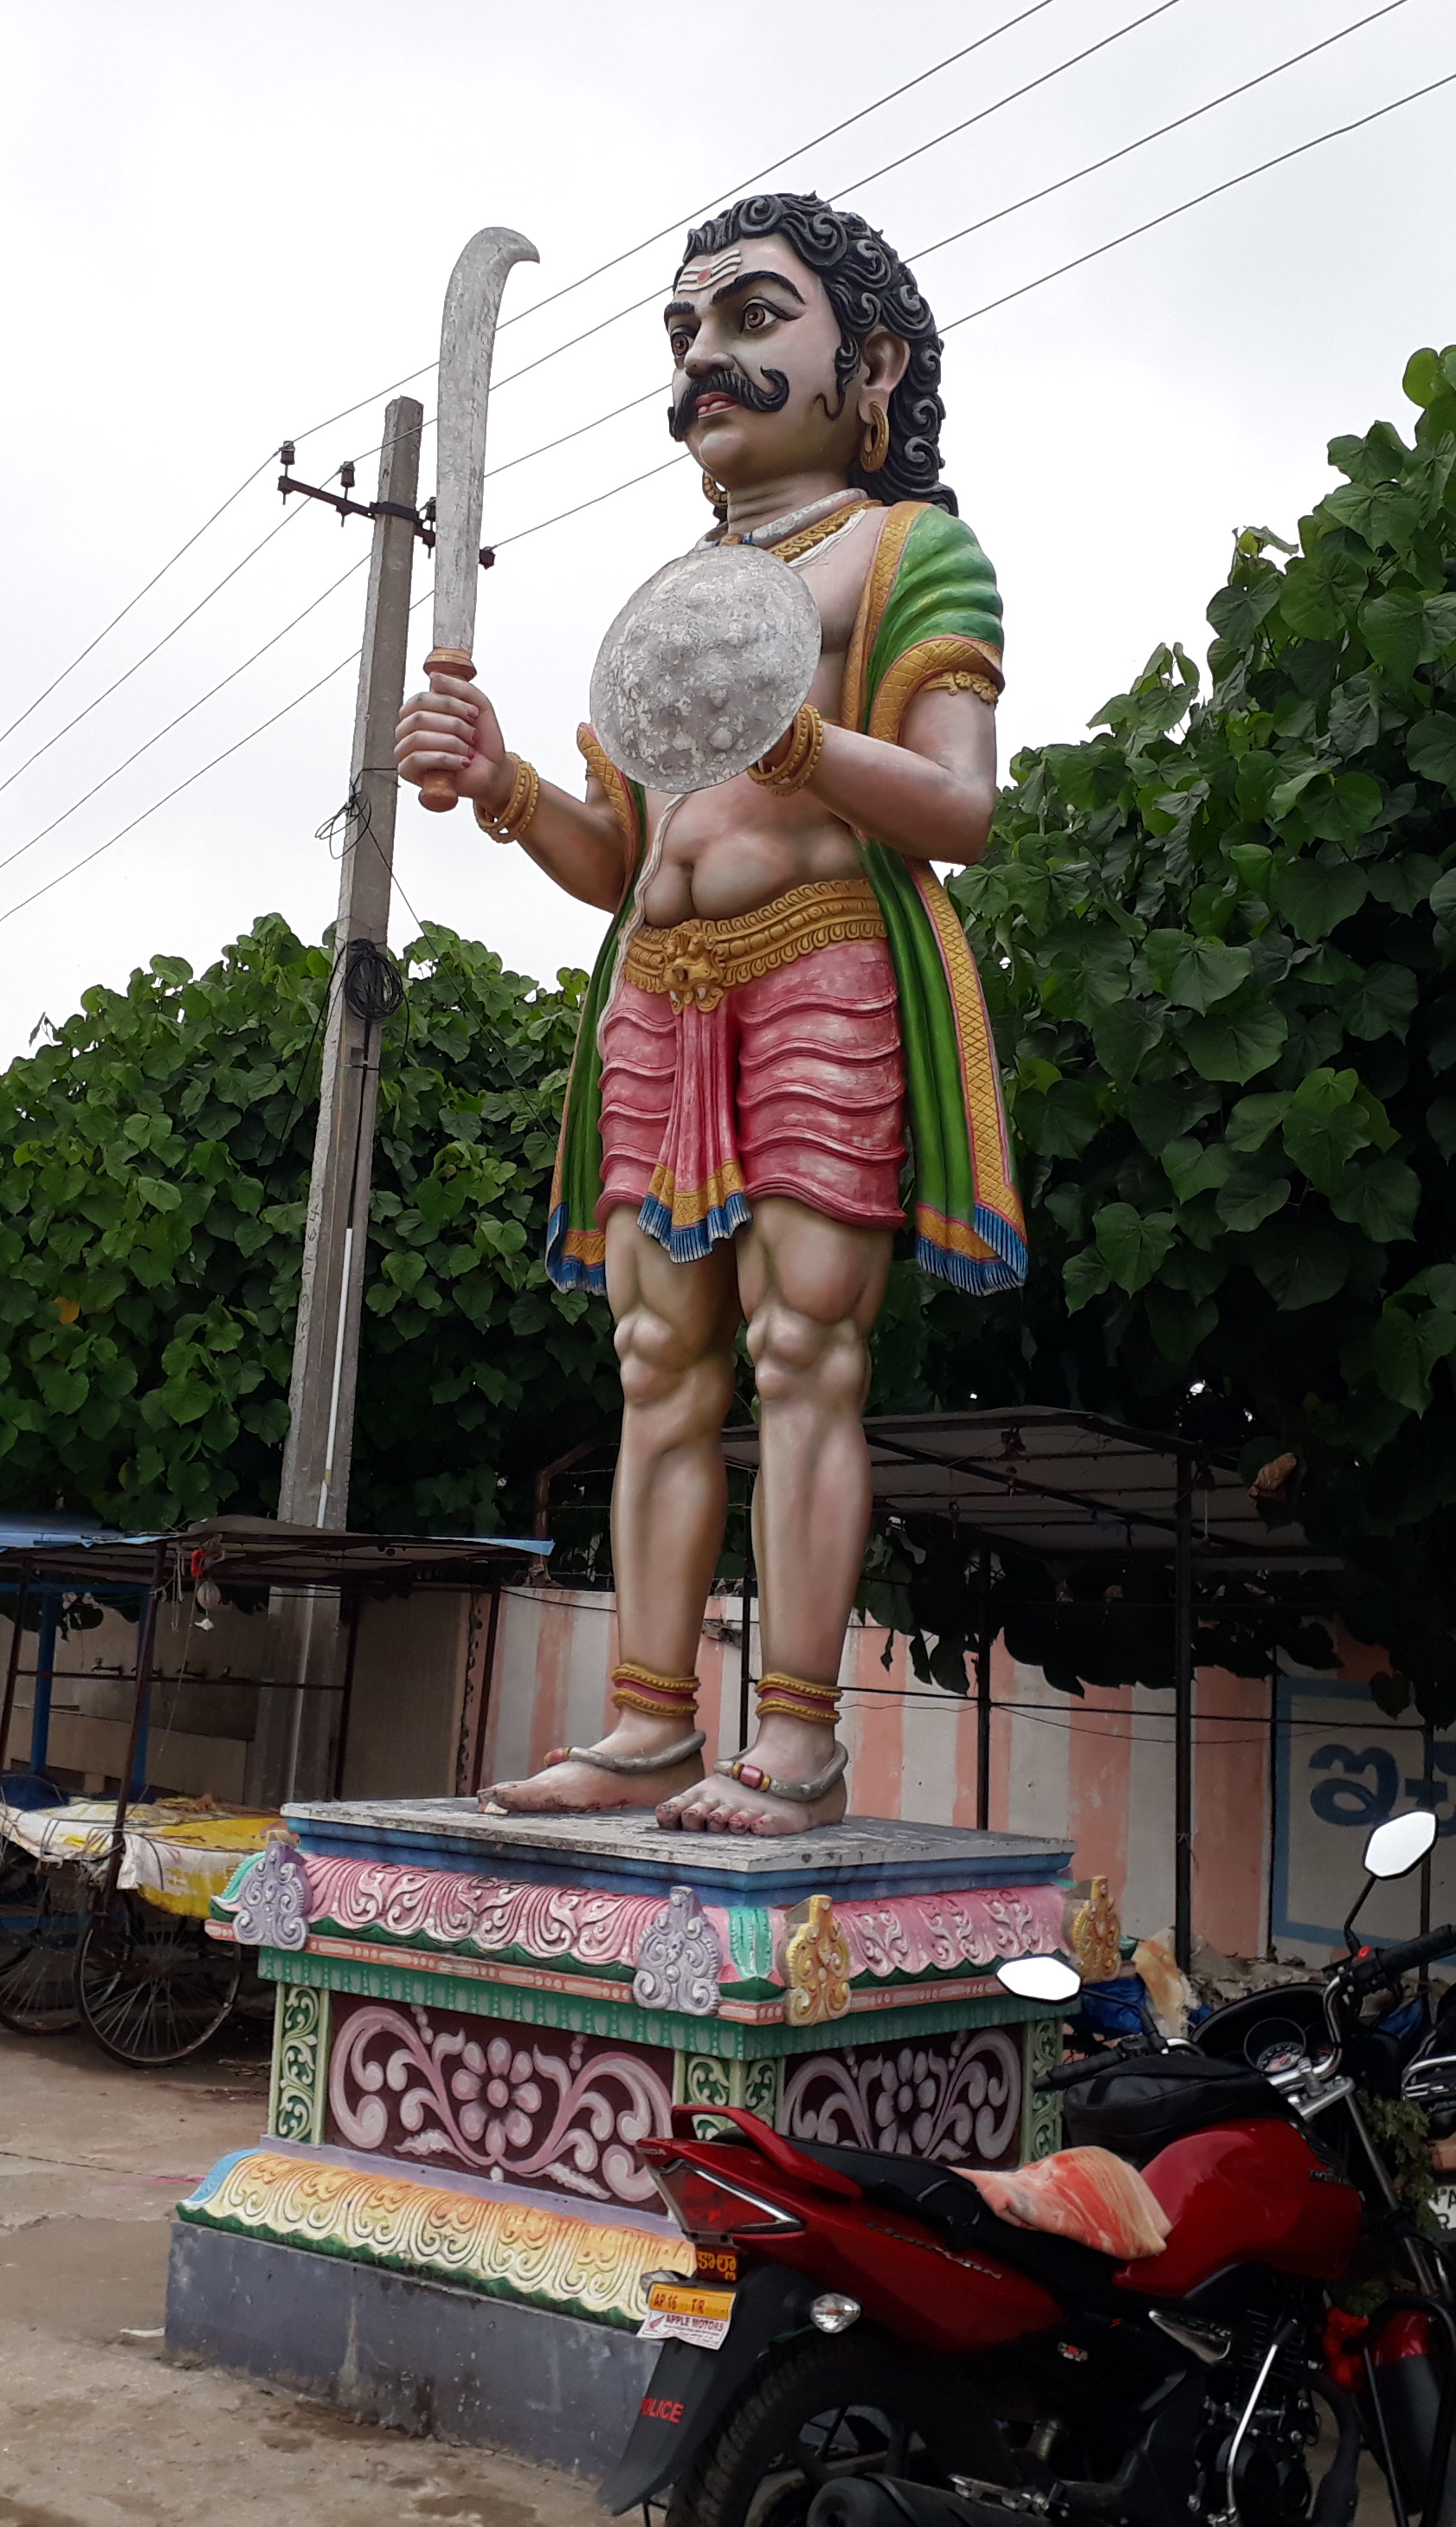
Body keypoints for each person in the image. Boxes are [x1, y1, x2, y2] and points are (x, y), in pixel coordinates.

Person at [392, 191, 1024, 1836]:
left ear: (868, 361)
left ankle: (798, 1739)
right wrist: (507, 783)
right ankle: (648, 1722)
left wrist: (792, 736)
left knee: (806, 1353)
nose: (704, 363)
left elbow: (957, 808)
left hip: (819, 958)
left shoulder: (904, 552)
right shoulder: (673, 595)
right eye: (685, 334)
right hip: (656, 993)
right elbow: (620, 858)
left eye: (750, 319)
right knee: (653, 1364)